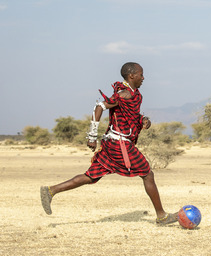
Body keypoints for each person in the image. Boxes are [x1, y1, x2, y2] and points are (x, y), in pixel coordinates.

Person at [40, 62, 178, 225]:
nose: (143, 77)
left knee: (91, 177)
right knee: (147, 174)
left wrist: (143, 120)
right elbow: (99, 107)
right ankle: (161, 216)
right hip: (119, 144)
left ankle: (51, 191)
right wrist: (92, 136)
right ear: (131, 75)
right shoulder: (124, 94)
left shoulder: (135, 94)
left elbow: (130, 114)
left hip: (113, 143)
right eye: (141, 74)